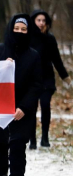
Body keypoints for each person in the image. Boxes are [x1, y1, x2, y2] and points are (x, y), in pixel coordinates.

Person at [0, 14, 42, 176]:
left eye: (23, 29)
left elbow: (36, 84)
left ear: (28, 32)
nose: (19, 32)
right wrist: (2, 68)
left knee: (18, 145)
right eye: (16, 28)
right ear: (10, 29)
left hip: (22, 110)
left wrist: (24, 107)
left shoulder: (33, 56)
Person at [29, 10, 71, 149]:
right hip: (31, 79)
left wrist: (66, 78)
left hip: (47, 78)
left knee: (45, 105)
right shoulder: (27, 37)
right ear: (33, 21)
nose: (41, 23)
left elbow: (57, 60)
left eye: (44, 21)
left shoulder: (50, 38)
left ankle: (45, 137)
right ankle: (32, 139)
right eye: (38, 20)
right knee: (31, 109)